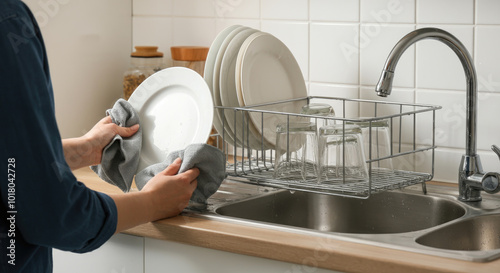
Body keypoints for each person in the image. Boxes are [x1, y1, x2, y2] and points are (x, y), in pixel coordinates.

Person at [0, 0, 200, 272]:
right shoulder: (7, 21)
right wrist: (152, 203)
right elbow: (56, 215)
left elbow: (11, 163)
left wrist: (81, 150)